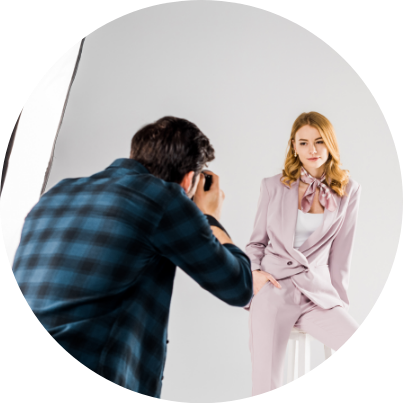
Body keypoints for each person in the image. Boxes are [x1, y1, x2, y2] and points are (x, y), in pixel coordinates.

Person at [12, 116, 253, 399]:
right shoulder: (165, 198)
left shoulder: (56, 192)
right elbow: (239, 286)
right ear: (189, 179)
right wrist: (210, 217)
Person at [245, 111, 361, 395]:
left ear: (330, 144)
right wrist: (254, 275)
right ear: (294, 147)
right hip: (273, 290)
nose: (312, 150)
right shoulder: (272, 186)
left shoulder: (349, 191)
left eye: (319, 141)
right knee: (266, 381)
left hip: (316, 294)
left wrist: (339, 303)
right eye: (304, 142)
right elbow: (256, 243)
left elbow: (341, 255)